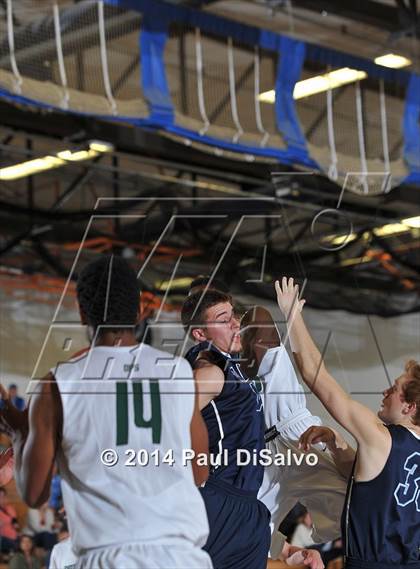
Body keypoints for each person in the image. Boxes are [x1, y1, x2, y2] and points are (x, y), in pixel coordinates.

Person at [0, 255, 212, 569]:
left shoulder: (58, 384)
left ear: (83, 313)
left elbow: (34, 494)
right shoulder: (178, 371)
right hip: (183, 557)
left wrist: (19, 434)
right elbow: (200, 471)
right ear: (140, 311)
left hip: (110, 556)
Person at [276, 276, 420, 569]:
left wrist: (292, 315)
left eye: (394, 389)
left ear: (410, 405)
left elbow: (318, 378)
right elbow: (370, 479)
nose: (385, 392)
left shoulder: (383, 438)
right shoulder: (393, 450)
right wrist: (336, 442)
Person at [181, 288, 324, 569]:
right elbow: (162, 426)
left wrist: (284, 549)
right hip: (218, 496)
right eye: (223, 319)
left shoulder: (236, 367)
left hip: (247, 507)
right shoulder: (210, 372)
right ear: (200, 334)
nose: (235, 323)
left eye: (233, 314)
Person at [240, 306, 347, 559]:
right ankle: (282, 549)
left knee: (356, 513)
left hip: (296, 433)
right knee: (241, 523)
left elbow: (258, 316)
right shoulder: (207, 368)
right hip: (262, 450)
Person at [0, 487, 19, 554]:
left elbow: (15, 523)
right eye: (0, 496)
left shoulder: (10, 508)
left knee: (23, 540)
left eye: (3, 496)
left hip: (13, 536)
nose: (1, 498)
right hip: (3, 537)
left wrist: (15, 525)